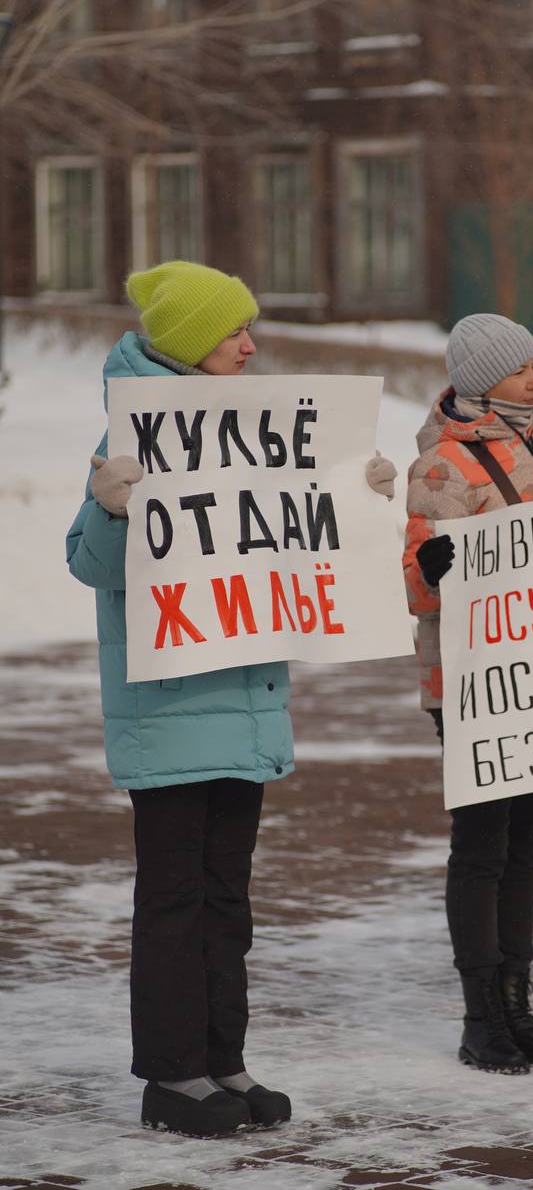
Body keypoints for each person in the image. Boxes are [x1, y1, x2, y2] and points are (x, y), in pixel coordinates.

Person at [66, 260, 396, 1136]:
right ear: (185, 342)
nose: (250, 345)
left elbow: (301, 540)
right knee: (173, 900)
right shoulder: (130, 437)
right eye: (233, 332)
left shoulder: (260, 430)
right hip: (169, 710)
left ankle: (222, 1060)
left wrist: (360, 505)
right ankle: (171, 1078)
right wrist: (110, 504)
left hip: (243, 703)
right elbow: (92, 568)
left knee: (226, 898)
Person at [403, 313, 533, 1075]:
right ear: (483, 382)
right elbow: (416, 586)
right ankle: (482, 1017)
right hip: (474, 684)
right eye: (521, 370)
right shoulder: (444, 464)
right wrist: (438, 566)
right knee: (481, 850)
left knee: (524, 849)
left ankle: (517, 1006)